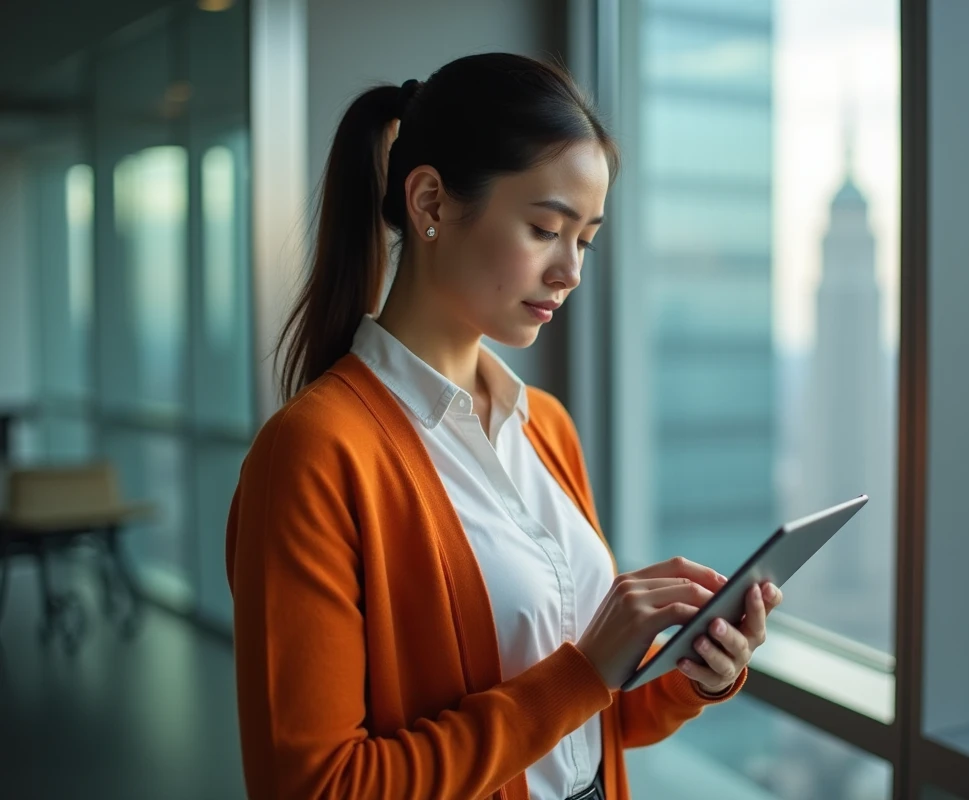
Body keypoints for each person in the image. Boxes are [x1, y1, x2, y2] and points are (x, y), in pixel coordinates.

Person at [225, 52, 783, 800]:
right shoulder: (313, 455)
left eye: (584, 239)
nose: (570, 271)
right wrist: (584, 671)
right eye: (544, 228)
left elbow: (588, 726)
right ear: (429, 202)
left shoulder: (544, 425)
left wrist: (693, 673)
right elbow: (320, 787)